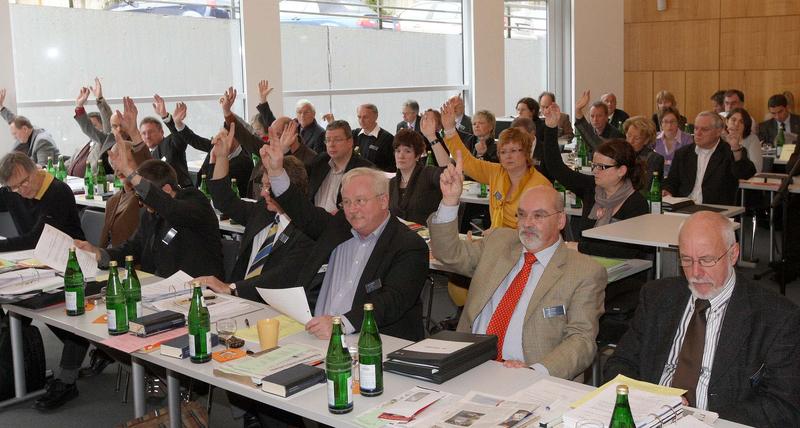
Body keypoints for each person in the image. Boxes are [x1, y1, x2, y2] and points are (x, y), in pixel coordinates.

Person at [603, 211, 800, 426]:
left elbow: (783, 405)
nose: (696, 272)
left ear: (733, 254)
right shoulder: (657, 297)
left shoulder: (777, 317)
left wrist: (705, 420)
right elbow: (620, 363)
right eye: (687, 260)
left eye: (707, 260)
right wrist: (647, 401)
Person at [429, 156, 606, 379]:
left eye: (539, 215)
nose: (528, 223)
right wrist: (449, 201)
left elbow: (581, 341)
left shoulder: (584, 272)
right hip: (468, 364)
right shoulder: (499, 242)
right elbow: (449, 253)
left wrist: (535, 372)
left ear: (561, 221)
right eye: (522, 215)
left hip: (531, 375)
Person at [261, 138, 430, 342]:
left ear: (383, 200)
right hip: (314, 333)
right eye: (347, 202)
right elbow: (303, 212)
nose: (352, 209)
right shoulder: (340, 226)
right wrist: (276, 172)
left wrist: (340, 324)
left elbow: (391, 301)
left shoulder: (408, 246)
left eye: (360, 201)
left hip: (371, 341)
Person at [0, 152, 87, 410]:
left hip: (73, 265)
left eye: (24, 182)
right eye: (14, 187)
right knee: (16, 309)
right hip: (37, 266)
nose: (21, 190)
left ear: (35, 169)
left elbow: (36, 238)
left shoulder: (58, 192)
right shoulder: (13, 191)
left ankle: (67, 380)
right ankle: (12, 371)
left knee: (62, 314)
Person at [194, 123, 314, 302]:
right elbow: (223, 200)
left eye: (269, 186)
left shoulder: (307, 229)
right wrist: (221, 157)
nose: (263, 193)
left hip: (273, 305)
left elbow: (279, 277)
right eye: (263, 185)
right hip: (237, 298)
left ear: (289, 188)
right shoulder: (262, 211)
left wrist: (232, 288)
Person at [77, 146, 223, 279]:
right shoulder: (150, 214)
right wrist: (98, 254)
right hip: (157, 286)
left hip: (199, 288)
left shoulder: (195, 201)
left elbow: (171, 209)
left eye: (142, 196)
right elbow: (132, 248)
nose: (140, 203)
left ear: (166, 190)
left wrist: (130, 174)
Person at [541, 103, 651, 260]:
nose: (595, 171)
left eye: (602, 167)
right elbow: (556, 168)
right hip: (586, 263)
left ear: (621, 170)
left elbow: (627, 250)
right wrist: (551, 128)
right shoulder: (591, 188)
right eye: (594, 165)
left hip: (622, 269)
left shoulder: (636, 203)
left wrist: (579, 247)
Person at [436, 100, 550, 229]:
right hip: (493, 237)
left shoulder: (540, 185)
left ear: (526, 152)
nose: (508, 156)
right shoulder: (495, 172)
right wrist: (449, 129)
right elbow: (467, 162)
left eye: (513, 150)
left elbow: (541, 229)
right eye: (503, 152)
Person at [155, 94, 253, 195]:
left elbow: (219, 187)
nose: (218, 138)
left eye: (225, 135)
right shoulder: (216, 146)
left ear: (238, 138)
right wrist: (177, 123)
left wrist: (213, 159)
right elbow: (193, 139)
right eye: (219, 133)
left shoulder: (244, 162)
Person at [662, 111, 756, 205]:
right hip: (684, 205)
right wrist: (667, 191)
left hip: (715, 208)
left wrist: (735, 149)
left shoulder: (730, 152)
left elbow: (745, 174)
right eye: (696, 128)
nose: (698, 133)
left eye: (704, 129)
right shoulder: (683, 153)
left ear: (718, 132)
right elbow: (672, 181)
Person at [307, 120, 374, 212]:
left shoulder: (364, 170)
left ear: (350, 142)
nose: (331, 145)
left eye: (337, 140)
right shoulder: (319, 162)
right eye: (328, 140)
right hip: (313, 219)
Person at [388, 128, 443, 224]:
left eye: (407, 151)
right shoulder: (392, 183)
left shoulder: (428, 174)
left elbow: (446, 172)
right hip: (399, 232)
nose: (401, 156)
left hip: (426, 232)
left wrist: (432, 138)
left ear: (417, 155)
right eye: (398, 151)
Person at [139, 105, 194, 188]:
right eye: (143, 133)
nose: (147, 136)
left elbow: (180, 135)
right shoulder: (143, 154)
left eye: (151, 132)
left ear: (161, 132)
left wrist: (165, 117)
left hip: (181, 192)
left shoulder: (171, 143)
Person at [68, 78, 114, 177]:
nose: (91, 130)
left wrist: (99, 99)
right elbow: (67, 164)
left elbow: (108, 126)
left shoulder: (104, 142)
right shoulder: (84, 145)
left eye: (94, 126)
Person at [0, 89, 60, 165]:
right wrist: (1, 107)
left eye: (15, 134)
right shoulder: (27, 128)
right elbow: (13, 120)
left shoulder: (42, 141)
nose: (14, 137)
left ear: (25, 129)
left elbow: (43, 169)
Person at [622, 116, 665, 193]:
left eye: (636, 138)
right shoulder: (620, 154)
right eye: (629, 136)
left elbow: (645, 188)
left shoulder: (654, 159)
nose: (630, 141)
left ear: (646, 140)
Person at [351, 104, 395, 172]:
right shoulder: (354, 134)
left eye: (365, 117)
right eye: (359, 117)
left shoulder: (388, 138)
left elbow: (392, 167)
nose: (361, 120)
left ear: (375, 117)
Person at [655, 106, 693, 177]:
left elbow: (688, 164)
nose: (669, 125)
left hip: (679, 178)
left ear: (678, 122)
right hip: (657, 177)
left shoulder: (687, 139)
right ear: (661, 123)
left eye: (672, 121)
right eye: (665, 122)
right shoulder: (654, 138)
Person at [725, 108, 762, 173]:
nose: (736, 124)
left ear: (745, 126)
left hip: (745, 177)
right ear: (727, 121)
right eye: (733, 120)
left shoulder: (752, 139)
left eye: (741, 122)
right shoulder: (721, 138)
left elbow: (757, 169)